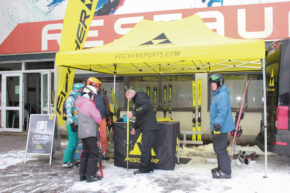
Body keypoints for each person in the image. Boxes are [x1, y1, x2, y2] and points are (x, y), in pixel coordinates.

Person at [126, 89, 159, 175]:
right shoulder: (138, 99)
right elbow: (140, 116)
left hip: (148, 127)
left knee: (145, 148)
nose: (129, 100)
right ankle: (148, 167)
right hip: (147, 127)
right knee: (146, 148)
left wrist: (133, 112)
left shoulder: (140, 96)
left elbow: (145, 106)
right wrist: (134, 127)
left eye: (128, 98)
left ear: (131, 94)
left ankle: (144, 169)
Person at [209, 74, 235, 179]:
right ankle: (221, 168)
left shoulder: (222, 95)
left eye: (214, 83)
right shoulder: (218, 95)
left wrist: (217, 125)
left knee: (220, 149)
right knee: (218, 148)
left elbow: (222, 112)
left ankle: (225, 172)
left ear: (220, 83)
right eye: (211, 83)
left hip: (220, 128)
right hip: (218, 126)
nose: (212, 85)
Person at [75, 85, 102, 182]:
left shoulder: (80, 103)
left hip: (82, 132)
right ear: (90, 94)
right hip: (89, 132)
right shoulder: (89, 104)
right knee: (93, 153)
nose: (94, 97)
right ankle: (91, 175)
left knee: (85, 153)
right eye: (94, 95)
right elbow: (98, 118)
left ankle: (83, 175)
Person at [86, 77, 111, 160]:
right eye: (96, 86)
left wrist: (107, 114)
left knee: (103, 136)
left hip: (102, 117)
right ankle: (93, 153)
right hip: (92, 118)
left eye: (98, 86)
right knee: (93, 136)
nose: (98, 87)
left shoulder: (102, 94)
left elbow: (105, 104)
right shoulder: (88, 95)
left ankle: (103, 152)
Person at [63, 83, 85, 168]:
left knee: (75, 143)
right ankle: (66, 161)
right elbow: (69, 112)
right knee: (72, 143)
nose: (81, 91)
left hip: (77, 124)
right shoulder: (70, 98)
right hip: (71, 124)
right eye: (80, 89)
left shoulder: (78, 98)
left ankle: (72, 160)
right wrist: (71, 123)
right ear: (76, 89)